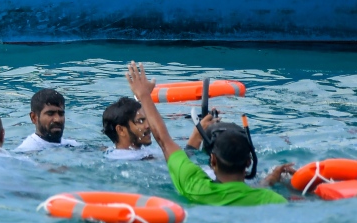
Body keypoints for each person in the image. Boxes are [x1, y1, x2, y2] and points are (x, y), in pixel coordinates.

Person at [126, 62, 294, 204]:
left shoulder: (194, 186)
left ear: (212, 160)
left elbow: (163, 140)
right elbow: (248, 194)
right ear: (249, 161)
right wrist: (271, 181)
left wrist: (143, 95)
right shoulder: (273, 200)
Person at [15, 88, 79, 152]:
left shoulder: (73, 145)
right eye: (50, 114)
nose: (57, 119)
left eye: (61, 114)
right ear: (34, 117)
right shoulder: (26, 151)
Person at [102, 96, 161, 160]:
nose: (148, 125)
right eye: (140, 121)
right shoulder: (144, 159)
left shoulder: (110, 152)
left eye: (147, 120)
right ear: (121, 130)